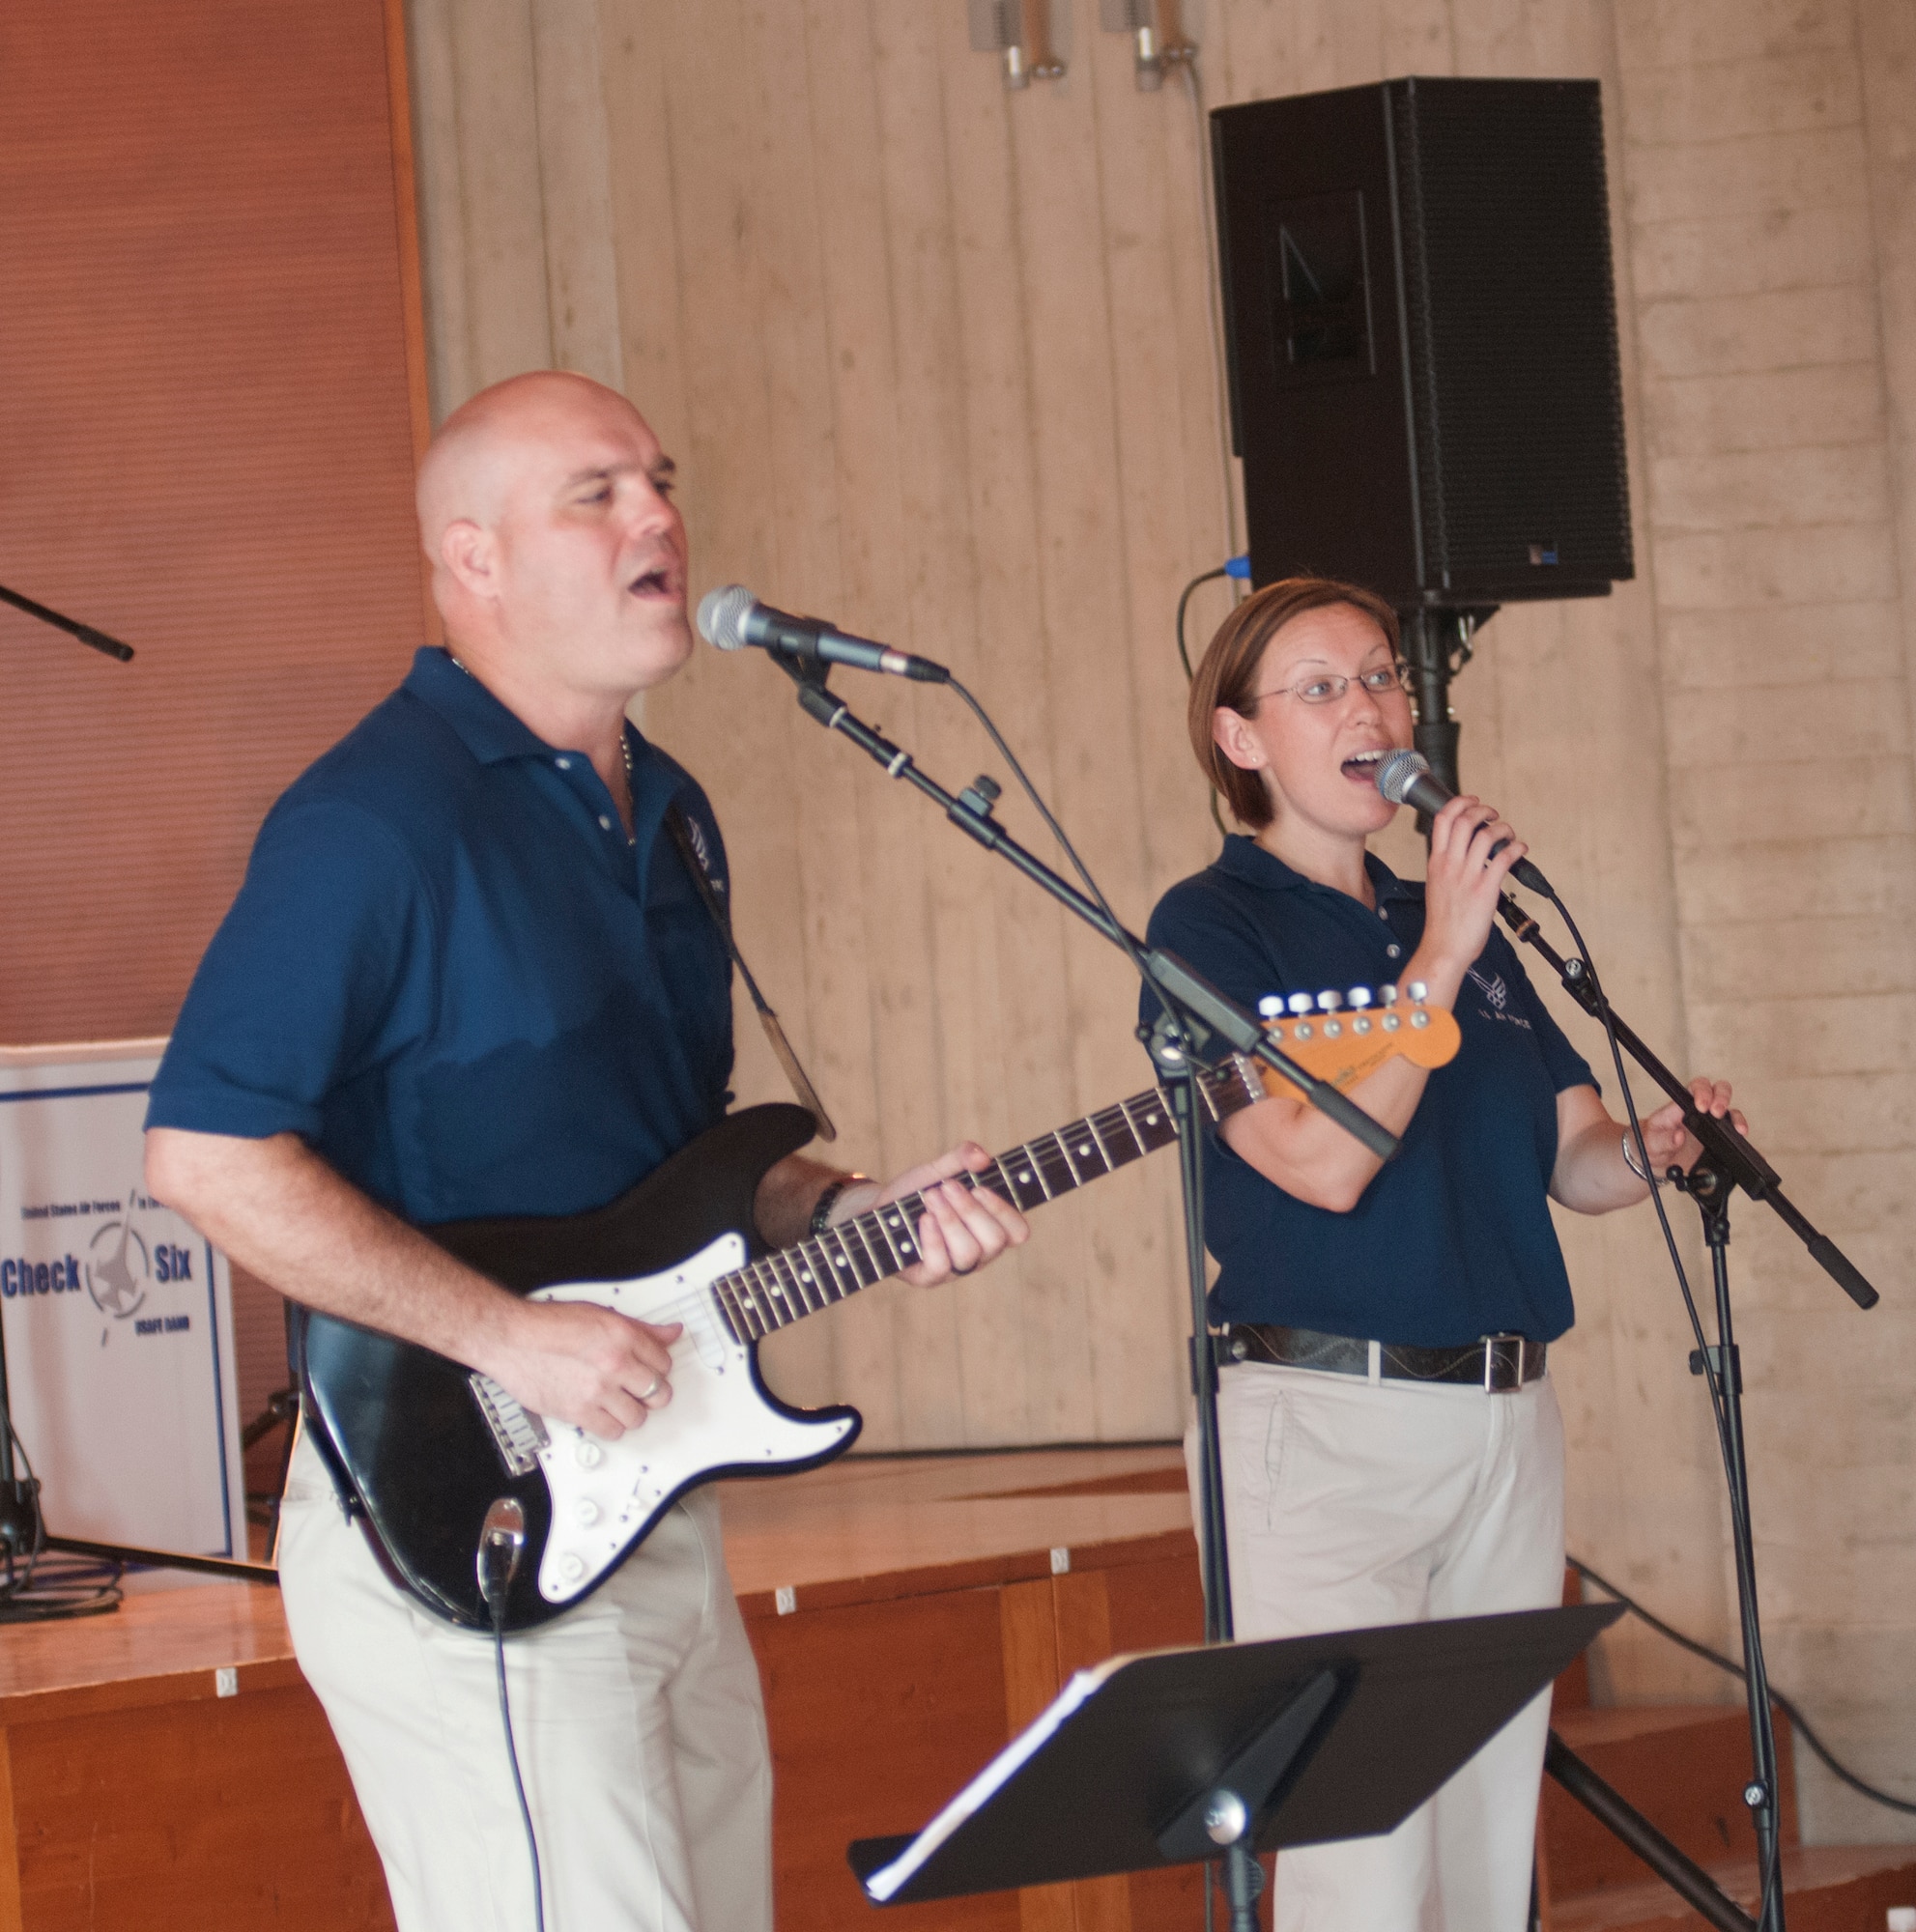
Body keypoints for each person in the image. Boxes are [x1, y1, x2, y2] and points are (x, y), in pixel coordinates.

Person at [142, 369, 1028, 1932]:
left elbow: (690, 1171)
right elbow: (208, 1154)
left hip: (649, 1499)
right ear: (472, 560)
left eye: (662, 481)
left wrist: (863, 1208)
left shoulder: (672, 814)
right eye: (599, 493)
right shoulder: (373, 821)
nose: (660, 518)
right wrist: (511, 1339)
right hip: (459, 1515)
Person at [1145, 576, 1742, 1932]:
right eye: (1322, 688)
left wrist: (1649, 1149)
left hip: (1503, 1421)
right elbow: (1319, 1164)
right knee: (1357, 1857)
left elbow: (1567, 1153)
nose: (1369, 705)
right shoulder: (1210, 930)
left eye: (1381, 679)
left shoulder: (1465, 938)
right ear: (1242, 742)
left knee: (1482, 1860)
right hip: (1319, 1429)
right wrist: (1440, 950)